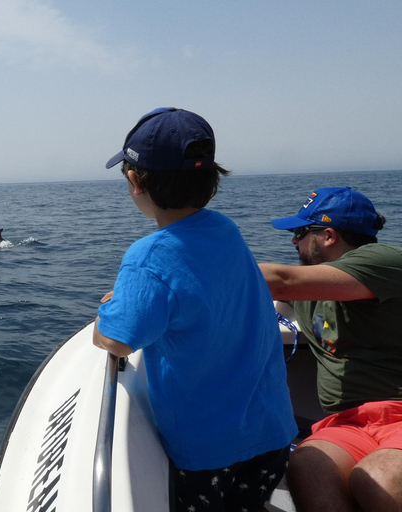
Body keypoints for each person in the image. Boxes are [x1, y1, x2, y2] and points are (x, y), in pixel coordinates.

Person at [94, 107, 297, 512]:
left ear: (135, 181)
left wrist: (106, 317)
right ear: (211, 179)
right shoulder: (226, 228)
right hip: (273, 433)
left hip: (209, 452)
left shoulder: (148, 257)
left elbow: (117, 341)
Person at [259, 187, 402, 512]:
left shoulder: (385, 261)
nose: (294, 242)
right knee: (308, 465)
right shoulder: (315, 288)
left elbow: (280, 280)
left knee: (377, 476)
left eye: (299, 233)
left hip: (398, 413)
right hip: (347, 422)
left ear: (328, 235)